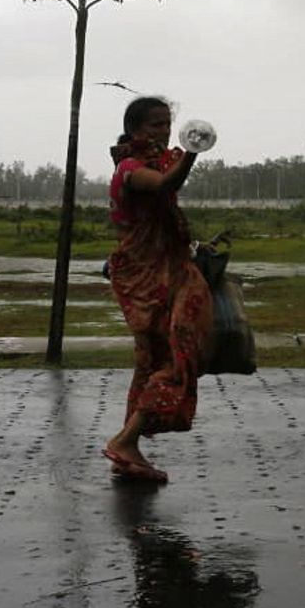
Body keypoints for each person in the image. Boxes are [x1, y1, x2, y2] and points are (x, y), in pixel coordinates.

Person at [102, 96, 210, 482]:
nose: (164, 132)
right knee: (175, 358)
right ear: (134, 131)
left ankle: (128, 448)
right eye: (155, 126)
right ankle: (126, 440)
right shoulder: (131, 170)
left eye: (167, 124)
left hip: (166, 272)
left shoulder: (153, 164)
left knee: (153, 361)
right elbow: (166, 182)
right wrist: (194, 151)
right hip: (148, 280)